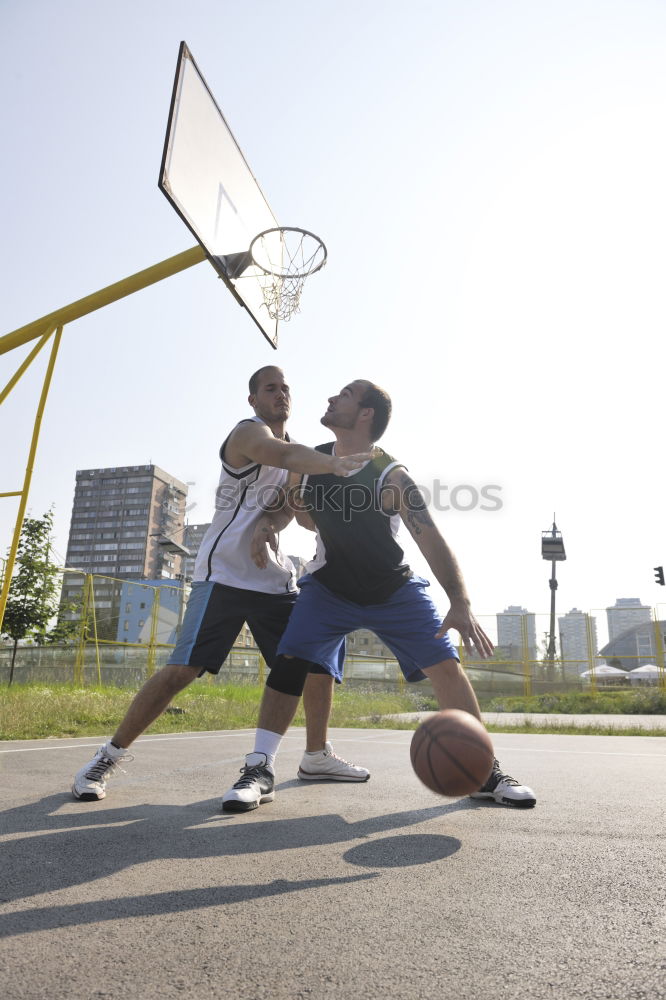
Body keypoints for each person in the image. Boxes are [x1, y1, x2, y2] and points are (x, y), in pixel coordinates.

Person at [222, 379, 536, 812]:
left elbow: (430, 538)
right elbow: (292, 508)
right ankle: (259, 767)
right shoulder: (311, 462)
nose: (331, 397)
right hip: (329, 587)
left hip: (392, 590)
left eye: (345, 395)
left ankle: (484, 769)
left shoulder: (390, 474)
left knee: (445, 664)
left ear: (365, 414)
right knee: (292, 658)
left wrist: (459, 601)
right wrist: (266, 526)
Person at [71, 366, 371, 802]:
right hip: (224, 575)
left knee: (317, 657)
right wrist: (333, 463)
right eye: (270, 388)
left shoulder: (296, 452)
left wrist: (267, 523)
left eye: (285, 388)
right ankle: (106, 756)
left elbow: (287, 506)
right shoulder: (248, 433)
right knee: (182, 671)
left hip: (272, 578)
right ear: (253, 400)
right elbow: (282, 457)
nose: (280, 394)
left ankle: (316, 754)